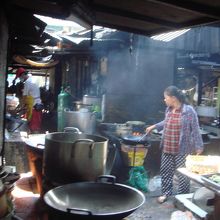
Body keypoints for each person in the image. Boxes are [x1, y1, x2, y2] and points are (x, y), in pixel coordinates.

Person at [145, 85, 203, 204]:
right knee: (166, 172)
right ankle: (166, 193)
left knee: (183, 175)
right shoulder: (169, 110)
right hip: (167, 147)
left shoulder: (189, 111)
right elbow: (166, 121)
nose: (164, 100)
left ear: (173, 98)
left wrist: (199, 146)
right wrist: (154, 126)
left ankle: (182, 197)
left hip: (182, 149)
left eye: (166, 97)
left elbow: (196, 129)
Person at [14, 67, 43, 133]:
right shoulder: (32, 79)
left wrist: (20, 108)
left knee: (34, 128)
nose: (20, 78)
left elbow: (24, 97)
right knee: (35, 126)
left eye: (19, 77)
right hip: (37, 105)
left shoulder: (27, 82)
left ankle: (34, 141)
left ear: (23, 75)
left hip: (34, 107)